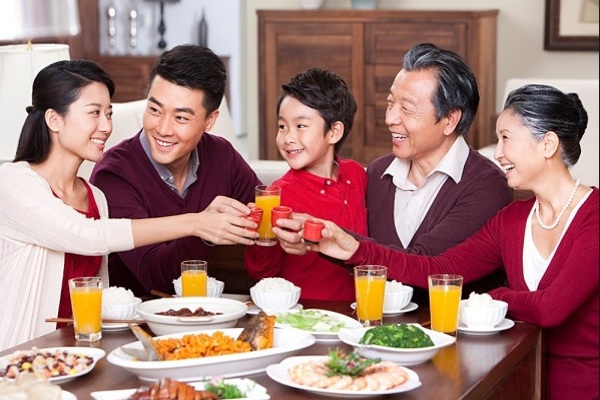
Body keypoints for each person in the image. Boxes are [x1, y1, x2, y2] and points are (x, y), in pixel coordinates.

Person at [290, 84, 598, 400]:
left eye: (506, 138)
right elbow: (437, 268)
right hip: (518, 379)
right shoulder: (512, 220)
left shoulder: (594, 217)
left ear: (547, 144)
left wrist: (493, 297)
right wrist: (353, 248)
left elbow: (550, 309)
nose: (498, 153)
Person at [0, 59, 258, 351]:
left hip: (81, 354)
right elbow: (88, 235)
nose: (106, 127)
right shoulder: (13, 182)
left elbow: (101, 293)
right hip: (19, 357)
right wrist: (197, 223)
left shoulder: (94, 196)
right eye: (94, 113)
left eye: (109, 114)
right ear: (54, 119)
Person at [276, 43, 514, 303]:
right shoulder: (377, 173)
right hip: (370, 323)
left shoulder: (487, 187)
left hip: (450, 326)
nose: (390, 118)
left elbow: (429, 266)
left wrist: (348, 246)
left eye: (407, 108)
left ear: (449, 120)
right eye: (391, 103)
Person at [90, 45, 261, 297]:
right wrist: (201, 228)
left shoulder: (222, 155)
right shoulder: (114, 175)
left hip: (210, 308)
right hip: (139, 315)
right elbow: (154, 277)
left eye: (181, 118)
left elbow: (262, 218)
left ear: (210, 120)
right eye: (155, 110)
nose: (163, 129)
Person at [244, 67, 367, 301]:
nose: (288, 138)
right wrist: (261, 237)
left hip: (358, 312)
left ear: (334, 132)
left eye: (300, 126)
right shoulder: (277, 195)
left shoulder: (356, 174)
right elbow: (260, 273)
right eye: (282, 126)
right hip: (303, 314)